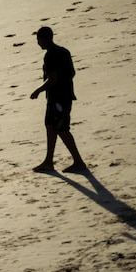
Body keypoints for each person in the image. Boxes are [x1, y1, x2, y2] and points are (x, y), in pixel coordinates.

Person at [30, 27, 87, 173]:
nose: (38, 43)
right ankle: (48, 161)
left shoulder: (50, 55)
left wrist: (38, 90)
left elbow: (52, 79)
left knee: (61, 128)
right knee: (50, 126)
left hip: (58, 99)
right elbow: (72, 73)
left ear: (44, 39)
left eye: (38, 40)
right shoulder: (64, 51)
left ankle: (79, 161)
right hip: (66, 95)